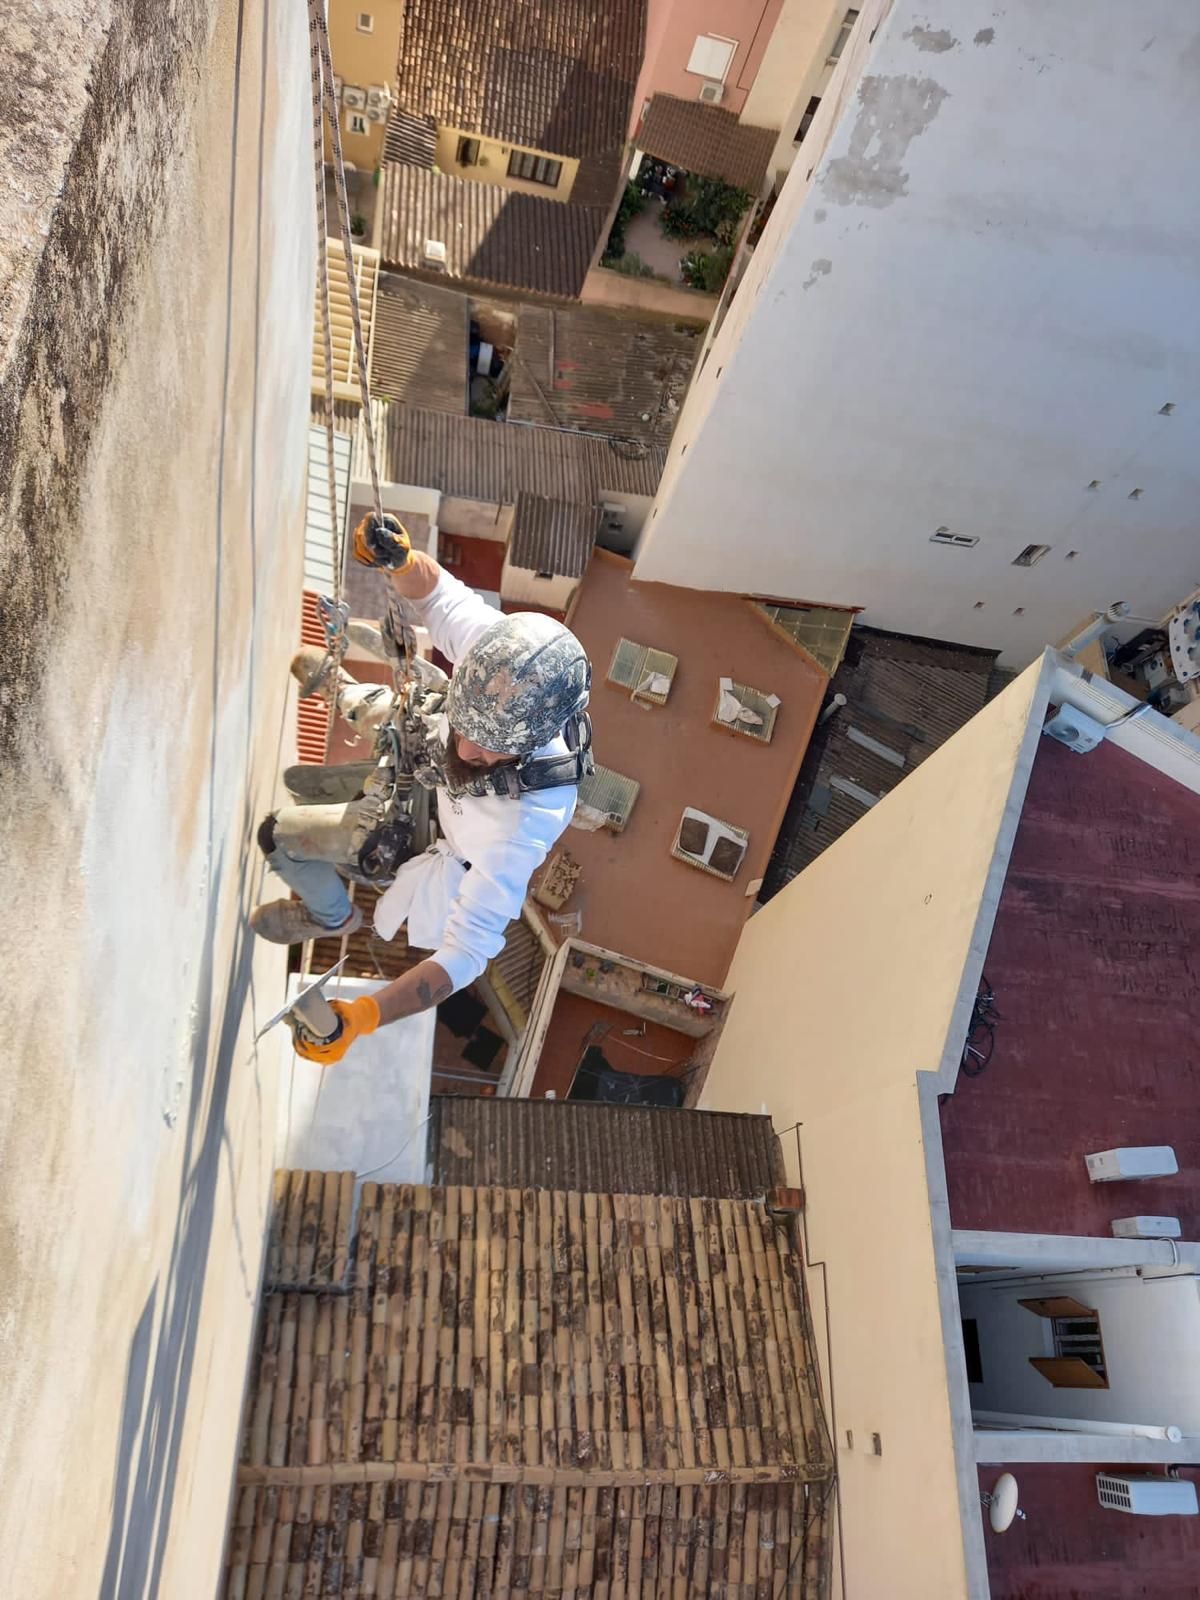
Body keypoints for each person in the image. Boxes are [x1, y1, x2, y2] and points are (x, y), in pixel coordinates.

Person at [250, 544, 592, 1064]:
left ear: (528, 746)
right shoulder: (502, 660)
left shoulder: (524, 822)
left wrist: (362, 1016)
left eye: (488, 746)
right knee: (399, 710)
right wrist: (400, 556)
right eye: (467, 727)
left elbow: (465, 955)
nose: (468, 749)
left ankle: (329, 913)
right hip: (425, 760)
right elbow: (439, 595)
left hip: (434, 836)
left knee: (277, 835)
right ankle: (350, 698)